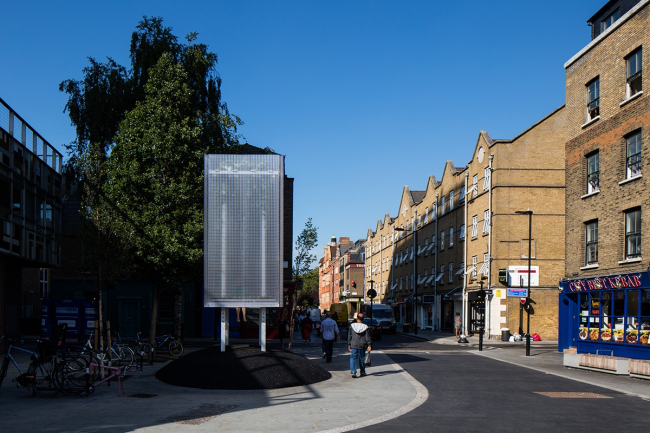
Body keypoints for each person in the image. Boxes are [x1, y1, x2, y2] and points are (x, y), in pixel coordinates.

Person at [348, 313, 371, 378]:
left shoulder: (352, 326)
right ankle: (362, 372)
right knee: (362, 359)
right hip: (362, 345)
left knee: (353, 358)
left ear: (357, 318)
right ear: (363, 319)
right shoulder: (365, 327)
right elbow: (367, 337)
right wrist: (369, 345)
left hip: (354, 344)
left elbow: (350, 335)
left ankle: (353, 372)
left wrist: (349, 344)